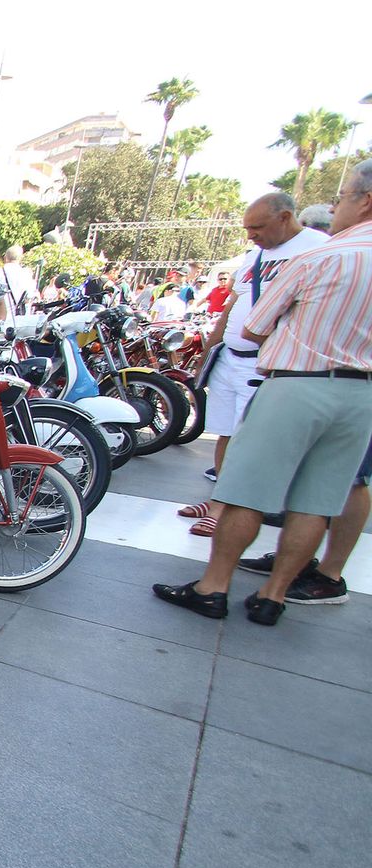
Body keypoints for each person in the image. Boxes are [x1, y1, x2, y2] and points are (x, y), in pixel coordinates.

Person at [153, 161, 372, 624]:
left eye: (344, 196)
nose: (337, 206)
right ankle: (273, 596)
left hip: (297, 383)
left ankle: (213, 587)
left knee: (244, 493)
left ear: (365, 200)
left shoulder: (319, 257)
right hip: (360, 395)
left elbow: (253, 326)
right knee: (316, 501)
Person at [177, 193, 328, 531]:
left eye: (257, 227)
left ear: (285, 218)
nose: (251, 235)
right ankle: (219, 499)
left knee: (250, 440)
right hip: (230, 359)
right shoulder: (255, 257)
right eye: (248, 228)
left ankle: (229, 511)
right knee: (227, 433)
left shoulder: (318, 248)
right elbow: (232, 306)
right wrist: (208, 352)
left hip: (268, 365)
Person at [0, 245, 38, 314]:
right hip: (17, 318)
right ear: (20, 259)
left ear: (5, 257)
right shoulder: (26, 274)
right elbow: (29, 297)